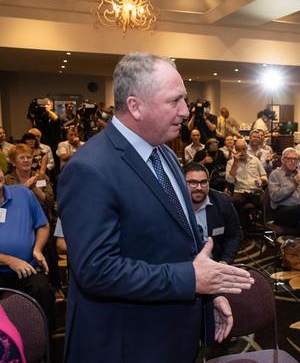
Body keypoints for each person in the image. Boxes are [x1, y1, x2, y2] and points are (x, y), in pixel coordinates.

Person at [57, 52, 254, 362]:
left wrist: (209, 291)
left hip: (174, 336)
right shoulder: (90, 169)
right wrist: (191, 279)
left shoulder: (163, 154)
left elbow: (182, 245)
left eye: (185, 100)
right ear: (135, 106)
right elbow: (96, 270)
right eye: (174, 101)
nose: (185, 111)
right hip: (128, 344)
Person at [0, 168, 55, 332]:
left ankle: (44, 346)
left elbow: (43, 226)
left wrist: (37, 249)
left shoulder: (23, 194)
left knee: (44, 291)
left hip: (28, 266)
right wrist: (10, 260)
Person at [184, 162, 241, 264]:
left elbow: (234, 235)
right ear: (182, 182)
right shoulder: (173, 205)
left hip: (215, 263)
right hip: (184, 266)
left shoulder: (222, 202)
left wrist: (225, 261)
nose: (199, 188)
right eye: (193, 182)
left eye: (204, 182)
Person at [268, 147, 300, 235]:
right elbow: (275, 197)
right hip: (281, 211)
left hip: (299, 211)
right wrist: (293, 185)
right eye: (290, 159)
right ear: (283, 160)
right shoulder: (275, 174)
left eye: (295, 159)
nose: (293, 162)